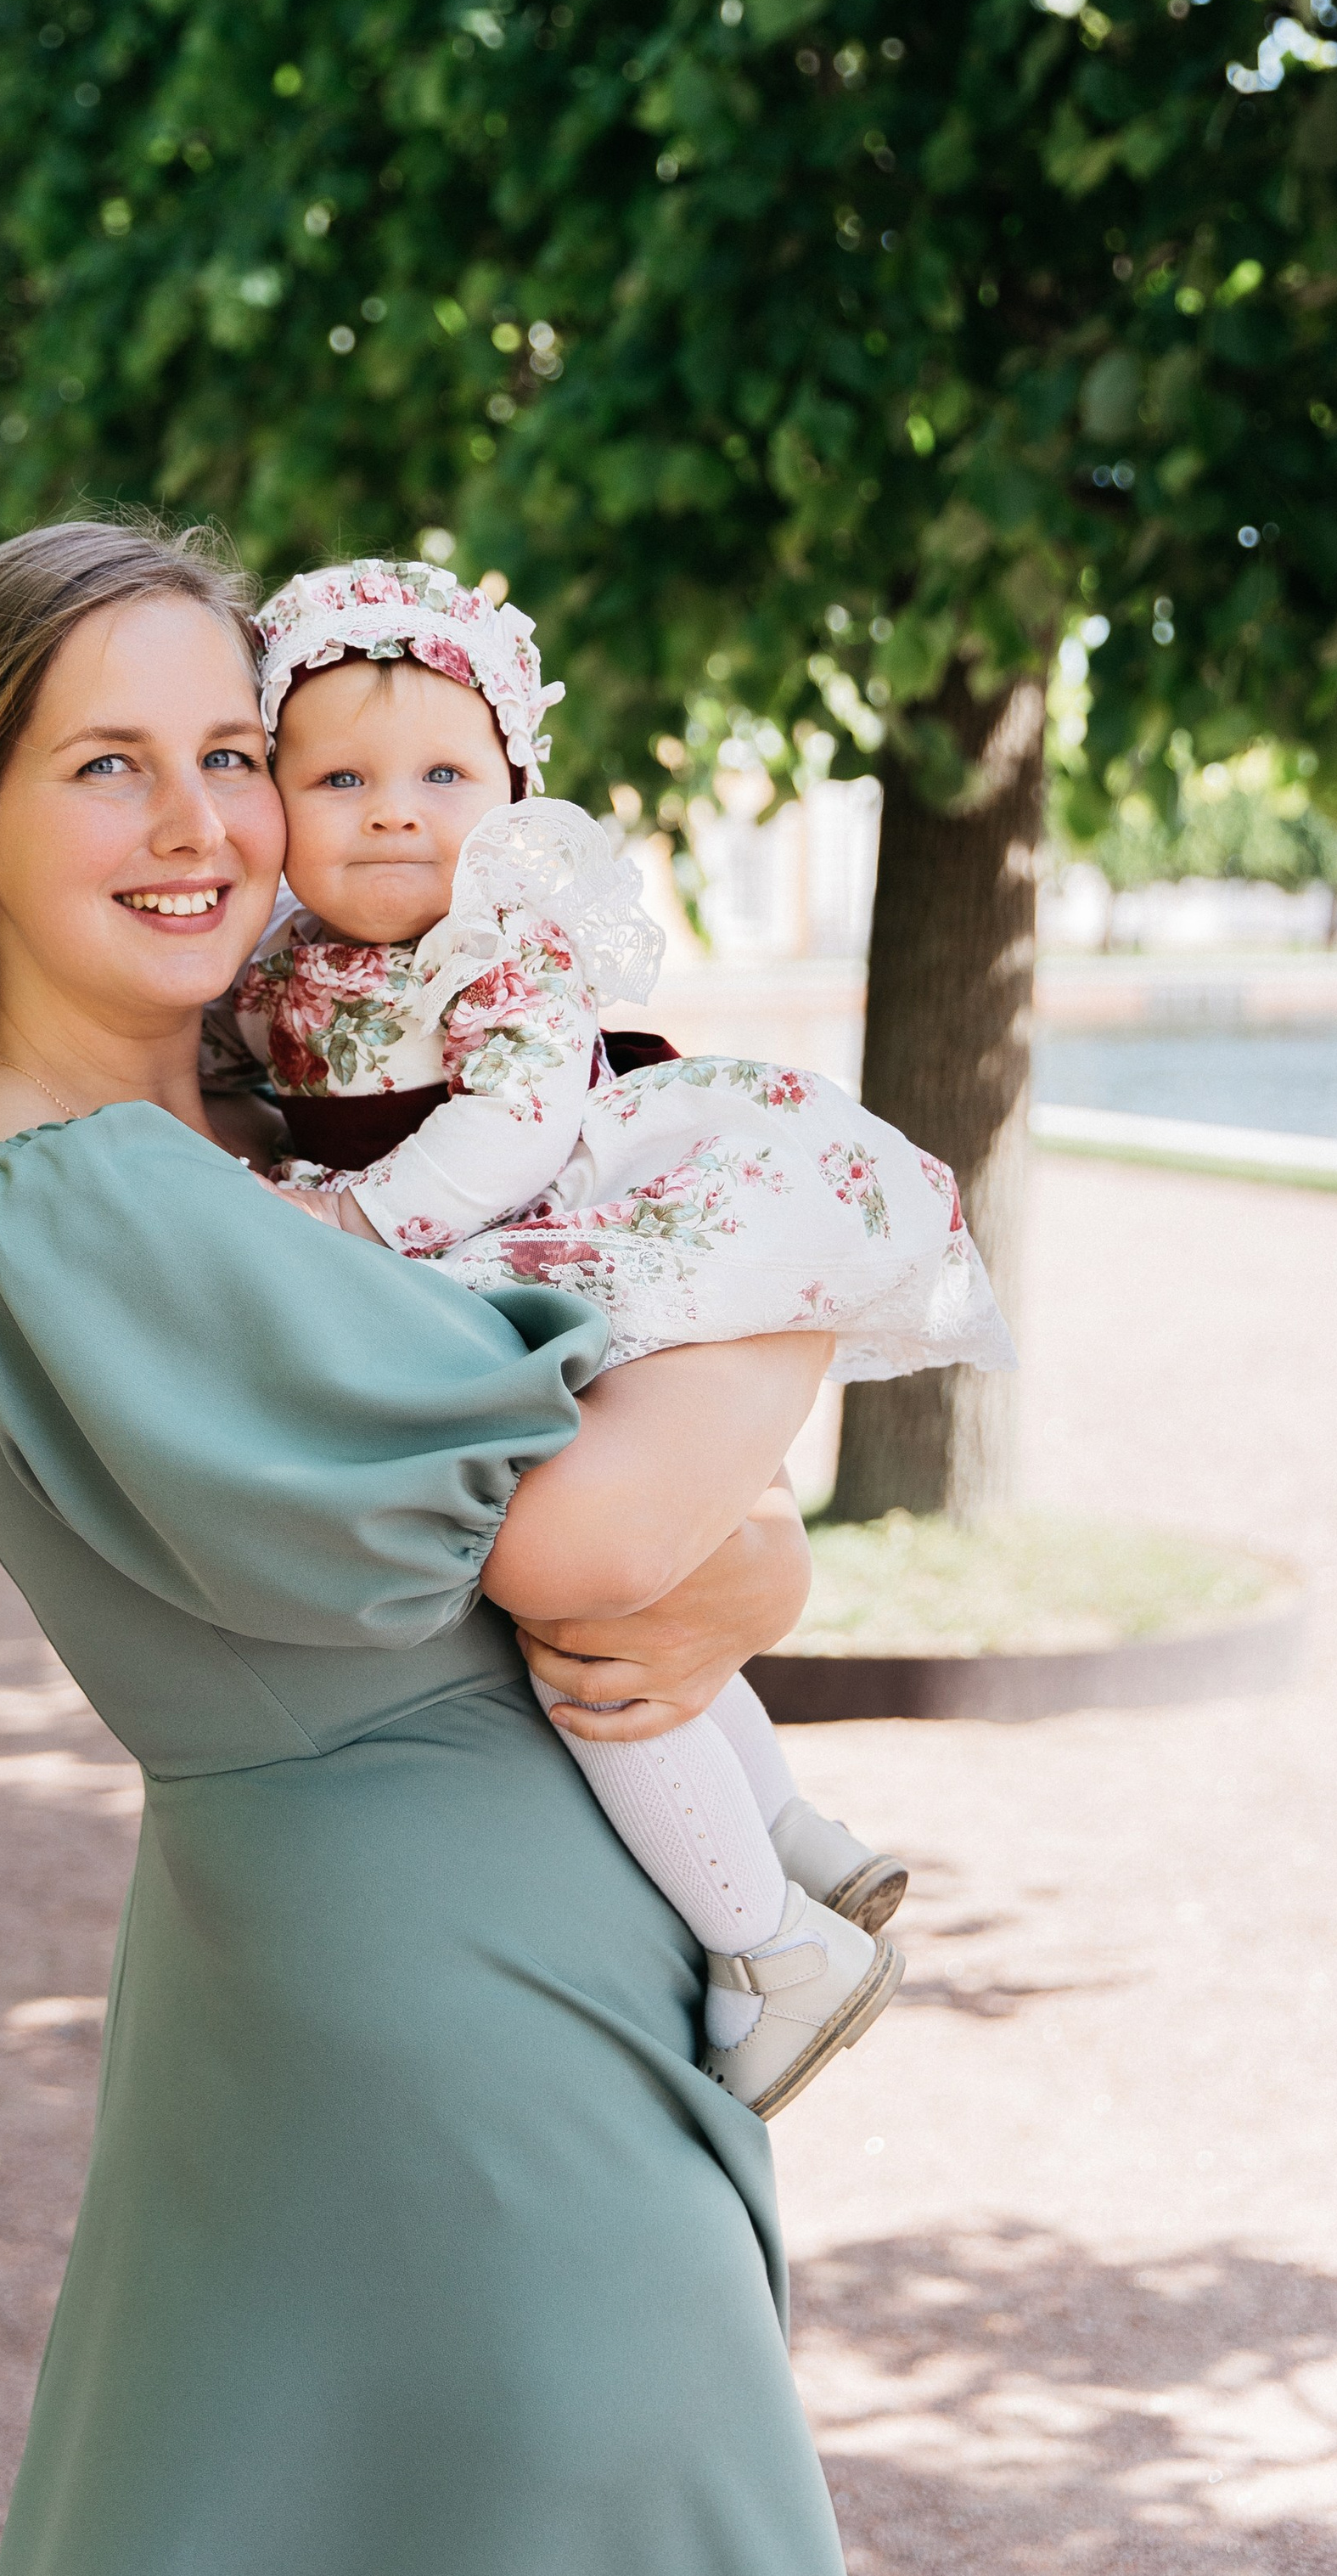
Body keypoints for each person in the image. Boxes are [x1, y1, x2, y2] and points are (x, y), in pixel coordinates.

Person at [0, 515, 859, 2576]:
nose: (201, 823)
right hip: (427, 2011)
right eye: (104, 766)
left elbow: (621, 1521)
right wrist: (820, 1256)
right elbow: (595, 1538)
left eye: (230, 748)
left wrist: (731, 1549)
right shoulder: (81, 1189)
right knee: (591, 2525)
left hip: (380, 1966)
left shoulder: (219, 1136)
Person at [217, 558, 1014, 2112]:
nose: (396, 809)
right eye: (343, 777)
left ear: (511, 794)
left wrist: (366, 1225)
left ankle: (770, 1943)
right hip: (475, 1254)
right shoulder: (278, 963)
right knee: (634, 1593)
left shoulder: (499, 943)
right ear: (279, 798)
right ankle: (792, 1841)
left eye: (444, 774)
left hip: (565, 1236)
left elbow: (517, 1123)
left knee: (586, 1623)